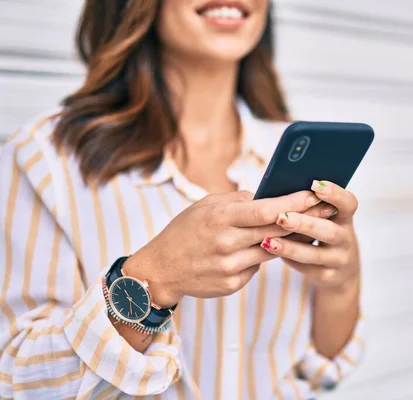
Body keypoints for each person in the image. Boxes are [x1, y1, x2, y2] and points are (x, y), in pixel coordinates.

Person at [0, 0, 365, 398]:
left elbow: (321, 366)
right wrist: (155, 277)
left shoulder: (294, 157)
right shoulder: (46, 160)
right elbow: (17, 378)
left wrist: (342, 284)